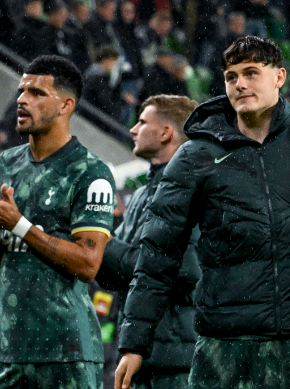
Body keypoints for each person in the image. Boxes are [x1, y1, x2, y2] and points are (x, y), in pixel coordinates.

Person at [114, 36, 290, 389]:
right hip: (223, 346)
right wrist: (134, 344)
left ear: (279, 76)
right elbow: (158, 255)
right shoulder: (195, 156)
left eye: (251, 73)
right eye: (232, 77)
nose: (240, 84)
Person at [0, 54, 115, 388]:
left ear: (66, 105)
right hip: (7, 348)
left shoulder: (90, 173)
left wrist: (19, 224)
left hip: (65, 351)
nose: (22, 99)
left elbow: (88, 263)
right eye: (22, 91)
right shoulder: (5, 165)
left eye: (37, 93)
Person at [96, 95, 198, 389]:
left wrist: (101, 239)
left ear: (166, 133)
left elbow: (176, 270)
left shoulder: (190, 191)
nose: (132, 129)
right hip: (139, 351)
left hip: (175, 362)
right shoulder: (142, 194)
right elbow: (120, 273)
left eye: (142, 122)